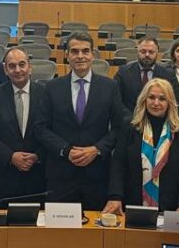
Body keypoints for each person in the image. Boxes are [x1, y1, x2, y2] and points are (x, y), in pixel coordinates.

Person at [35, 32, 123, 210]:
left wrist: (97, 149)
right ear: (67, 55)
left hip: (97, 175)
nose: (80, 56)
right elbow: (41, 128)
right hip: (61, 176)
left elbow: (118, 128)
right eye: (75, 51)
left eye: (85, 51)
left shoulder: (110, 86)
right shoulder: (52, 87)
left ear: (93, 55)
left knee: (95, 226)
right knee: (60, 226)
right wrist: (66, 150)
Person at [104, 78, 179, 214]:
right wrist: (115, 196)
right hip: (133, 206)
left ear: (170, 102)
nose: (156, 103)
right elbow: (118, 164)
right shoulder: (130, 128)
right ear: (144, 100)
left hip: (171, 209)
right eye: (151, 97)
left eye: (162, 99)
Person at [0, 47, 46, 206]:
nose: (17, 70)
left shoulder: (45, 94)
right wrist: (11, 156)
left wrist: (38, 156)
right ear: (5, 70)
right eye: (12, 66)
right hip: (3, 177)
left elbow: (52, 130)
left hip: (37, 176)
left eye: (22, 64)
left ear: (30, 67)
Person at [114, 37, 179, 116]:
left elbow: (178, 101)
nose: (147, 55)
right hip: (130, 120)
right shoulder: (123, 73)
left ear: (157, 52)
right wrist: (132, 118)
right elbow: (115, 100)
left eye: (151, 52)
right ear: (137, 51)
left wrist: (161, 114)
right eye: (143, 51)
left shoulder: (168, 74)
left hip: (160, 120)